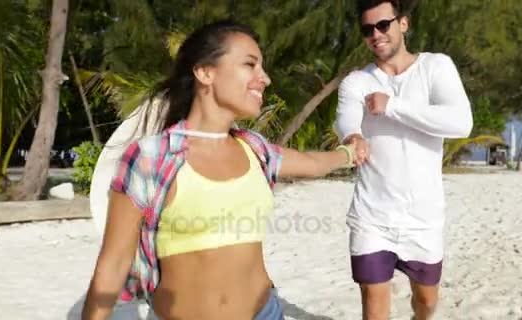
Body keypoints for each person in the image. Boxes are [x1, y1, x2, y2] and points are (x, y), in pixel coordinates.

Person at [82, 20, 361, 320]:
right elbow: (112, 266)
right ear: (205, 72)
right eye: (250, 65)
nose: (264, 78)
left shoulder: (255, 149)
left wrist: (348, 153)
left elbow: (312, 163)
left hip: (265, 312)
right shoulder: (151, 157)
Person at [335, 1, 473, 319]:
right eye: (367, 29)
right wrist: (353, 137)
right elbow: (347, 121)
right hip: (372, 216)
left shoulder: (435, 67)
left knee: (425, 303)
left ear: (403, 24)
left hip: (423, 221)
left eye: (383, 24)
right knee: (374, 304)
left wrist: (393, 106)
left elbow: (460, 123)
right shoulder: (356, 81)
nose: (376, 34)